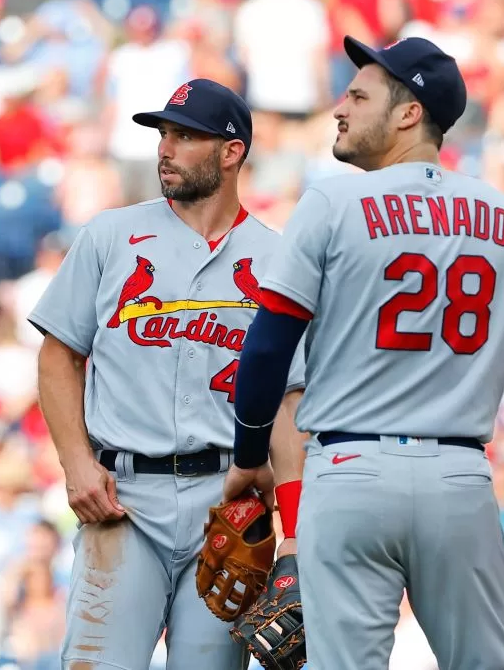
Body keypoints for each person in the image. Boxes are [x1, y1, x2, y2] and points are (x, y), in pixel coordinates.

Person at [222, 36, 504, 670]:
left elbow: (270, 339)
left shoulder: (332, 201)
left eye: (359, 96)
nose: (340, 107)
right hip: (459, 477)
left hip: (350, 467)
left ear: (409, 112)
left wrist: (252, 454)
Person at [29, 78, 307, 670]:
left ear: (232, 152)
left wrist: (295, 529)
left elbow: (288, 402)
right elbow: (58, 355)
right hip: (123, 496)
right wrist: (77, 464)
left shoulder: (280, 260)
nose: (165, 148)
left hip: (226, 505)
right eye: (163, 135)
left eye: (185, 136)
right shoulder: (111, 236)